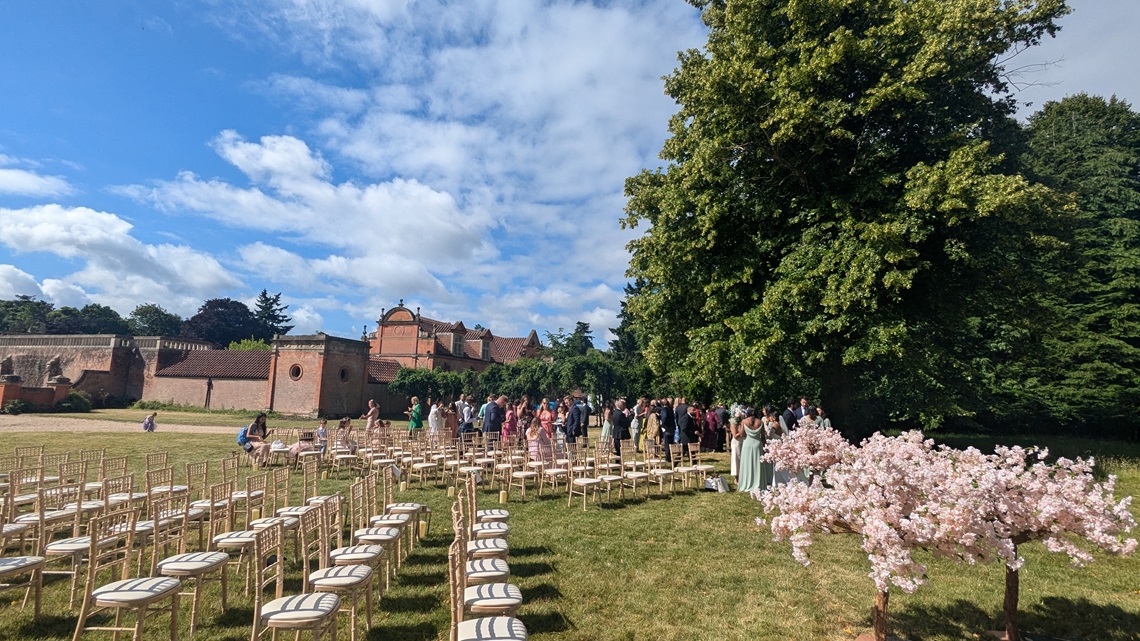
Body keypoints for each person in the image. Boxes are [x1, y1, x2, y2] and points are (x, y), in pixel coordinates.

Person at [736, 408, 769, 492]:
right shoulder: (760, 422)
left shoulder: (744, 421)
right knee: (758, 464)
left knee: (747, 464)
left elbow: (742, 434)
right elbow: (763, 436)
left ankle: (747, 483)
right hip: (757, 444)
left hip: (747, 444)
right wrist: (766, 447)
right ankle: (757, 483)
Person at [729, 409, 744, 479]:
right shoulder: (733, 424)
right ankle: (736, 478)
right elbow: (735, 435)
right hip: (736, 443)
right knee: (736, 459)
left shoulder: (742, 423)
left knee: (741, 459)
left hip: (742, 442)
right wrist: (742, 432)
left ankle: (742, 475)